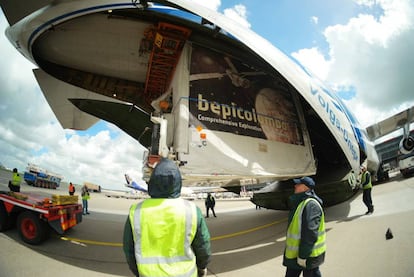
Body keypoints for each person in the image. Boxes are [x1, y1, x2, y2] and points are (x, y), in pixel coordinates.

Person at [123, 158, 211, 277]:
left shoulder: (136, 212)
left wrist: (138, 272)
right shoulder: (192, 210)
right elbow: (203, 246)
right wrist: (202, 267)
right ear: (178, 182)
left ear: (153, 181)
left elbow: (129, 249)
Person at [283, 176, 326, 277]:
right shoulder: (301, 203)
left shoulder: (311, 205)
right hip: (297, 255)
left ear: (305, 188)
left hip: (308, 256)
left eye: (298, 184)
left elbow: (310, 234)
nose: (295, 186)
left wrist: (303, 256)